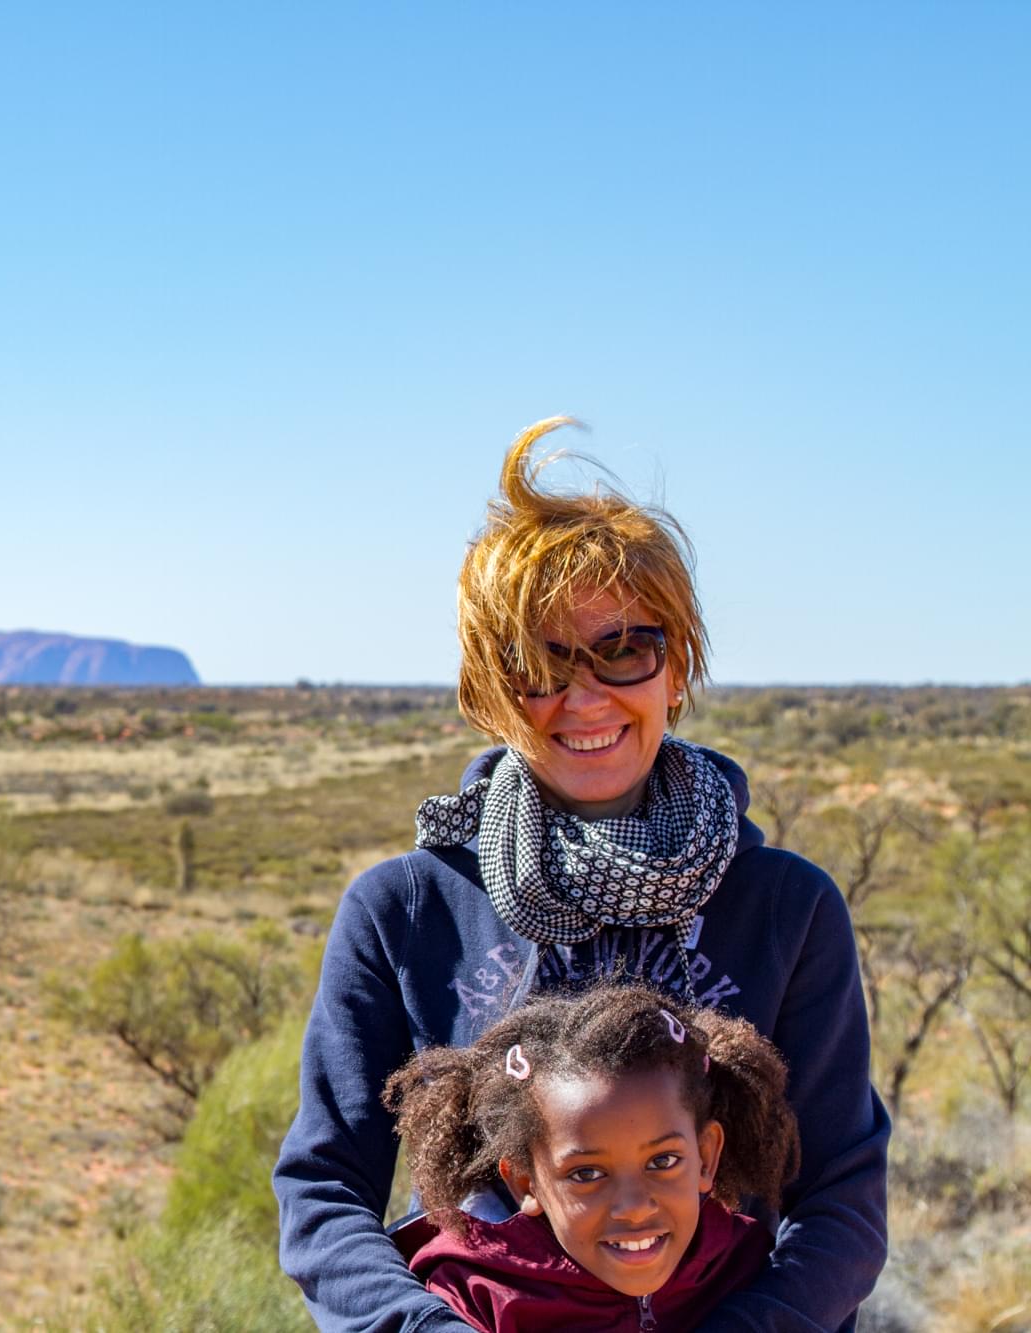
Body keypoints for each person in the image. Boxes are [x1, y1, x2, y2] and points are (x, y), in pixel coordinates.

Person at [272, 418, 889, 1331]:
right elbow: (324, 1193)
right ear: (491, 692)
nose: (586, 696)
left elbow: (841, 1199)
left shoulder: (785, 906)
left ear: (674, 668)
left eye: (623, 649)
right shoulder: (406, 909)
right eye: (541, 664)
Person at [383, 983, 801, 1333]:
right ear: (526, 1183)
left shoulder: (745, 1269)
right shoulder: (473, 1296)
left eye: (662, 1162)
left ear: (706, 1158)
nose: (634, 1207)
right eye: (587, 1173)